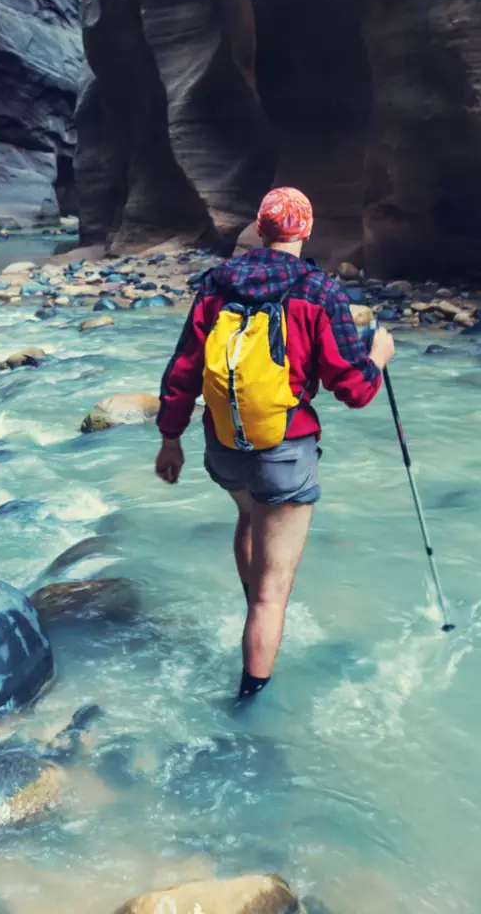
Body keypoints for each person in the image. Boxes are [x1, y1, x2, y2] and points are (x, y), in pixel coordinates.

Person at [154, 186, 395, 699]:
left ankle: (249, 608)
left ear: (260, 230)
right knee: (273, 594)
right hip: (284, 451)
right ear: (306, 231)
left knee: (248, 515)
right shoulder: (320, 292)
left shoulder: (216, 285)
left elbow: (183, 371)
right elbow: (353, 390)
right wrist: (379, 357)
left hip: (224, 447)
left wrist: (169, 440)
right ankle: (251, 700)